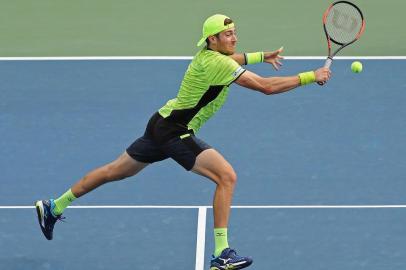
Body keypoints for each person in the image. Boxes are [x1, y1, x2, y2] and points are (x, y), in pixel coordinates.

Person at [35, 14, 331, 270]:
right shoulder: (220, 65)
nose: (234, 38)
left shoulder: (209, 57)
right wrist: (310, 75)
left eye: (235, 32)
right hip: (175, 131)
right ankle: (221, 254)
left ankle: (54, 206)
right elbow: (266, 87)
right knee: (226, 176)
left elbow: (236, 59)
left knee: (115, 171)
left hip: (160, 122)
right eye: (228, 34)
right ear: (212, 40)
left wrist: (262, 56)